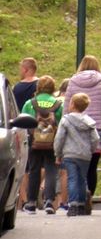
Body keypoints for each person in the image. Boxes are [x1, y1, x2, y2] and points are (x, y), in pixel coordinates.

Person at [64, 55, 101, 214]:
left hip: (75, 127)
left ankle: (79, 196)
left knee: (78, 165)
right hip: (98, 127)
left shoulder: (73, 82)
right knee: (92, 165)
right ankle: (89, 195)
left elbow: (67, 105)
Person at [54, 93, 100, 217]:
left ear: (72, 104)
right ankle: (81, 204)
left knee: (72, 178)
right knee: (82, 179)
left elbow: (59, 138)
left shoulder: (66, 120)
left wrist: (57, 153)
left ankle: (73, 204)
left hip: (70, 154)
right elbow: (95, 138)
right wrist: (91, 149)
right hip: (85, 155)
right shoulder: (89, 122)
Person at [22, 76, 61, 214]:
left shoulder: (30, 103)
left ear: (38, 87)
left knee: (34, 170)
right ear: (53, 88)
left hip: (34, 142)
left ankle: (31, 202)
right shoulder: (58, 104)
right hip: (52, 142)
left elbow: (23, 123)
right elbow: (61, 124)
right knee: (51, 170)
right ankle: (49, 201)